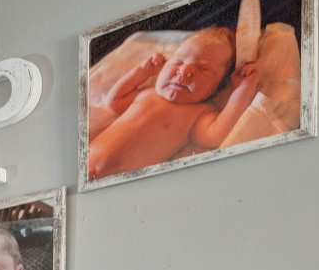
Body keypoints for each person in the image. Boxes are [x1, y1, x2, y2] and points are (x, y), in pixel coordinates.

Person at [85, 25, 263, 181]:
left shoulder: (198, 113)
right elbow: (114, 101)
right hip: (85, 164)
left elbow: (220, 134)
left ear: (220, 86)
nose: (184, 71)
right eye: (177, 61)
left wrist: (243, 88)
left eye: (203, 68)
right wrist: (142, 72)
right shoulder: (148, 93)